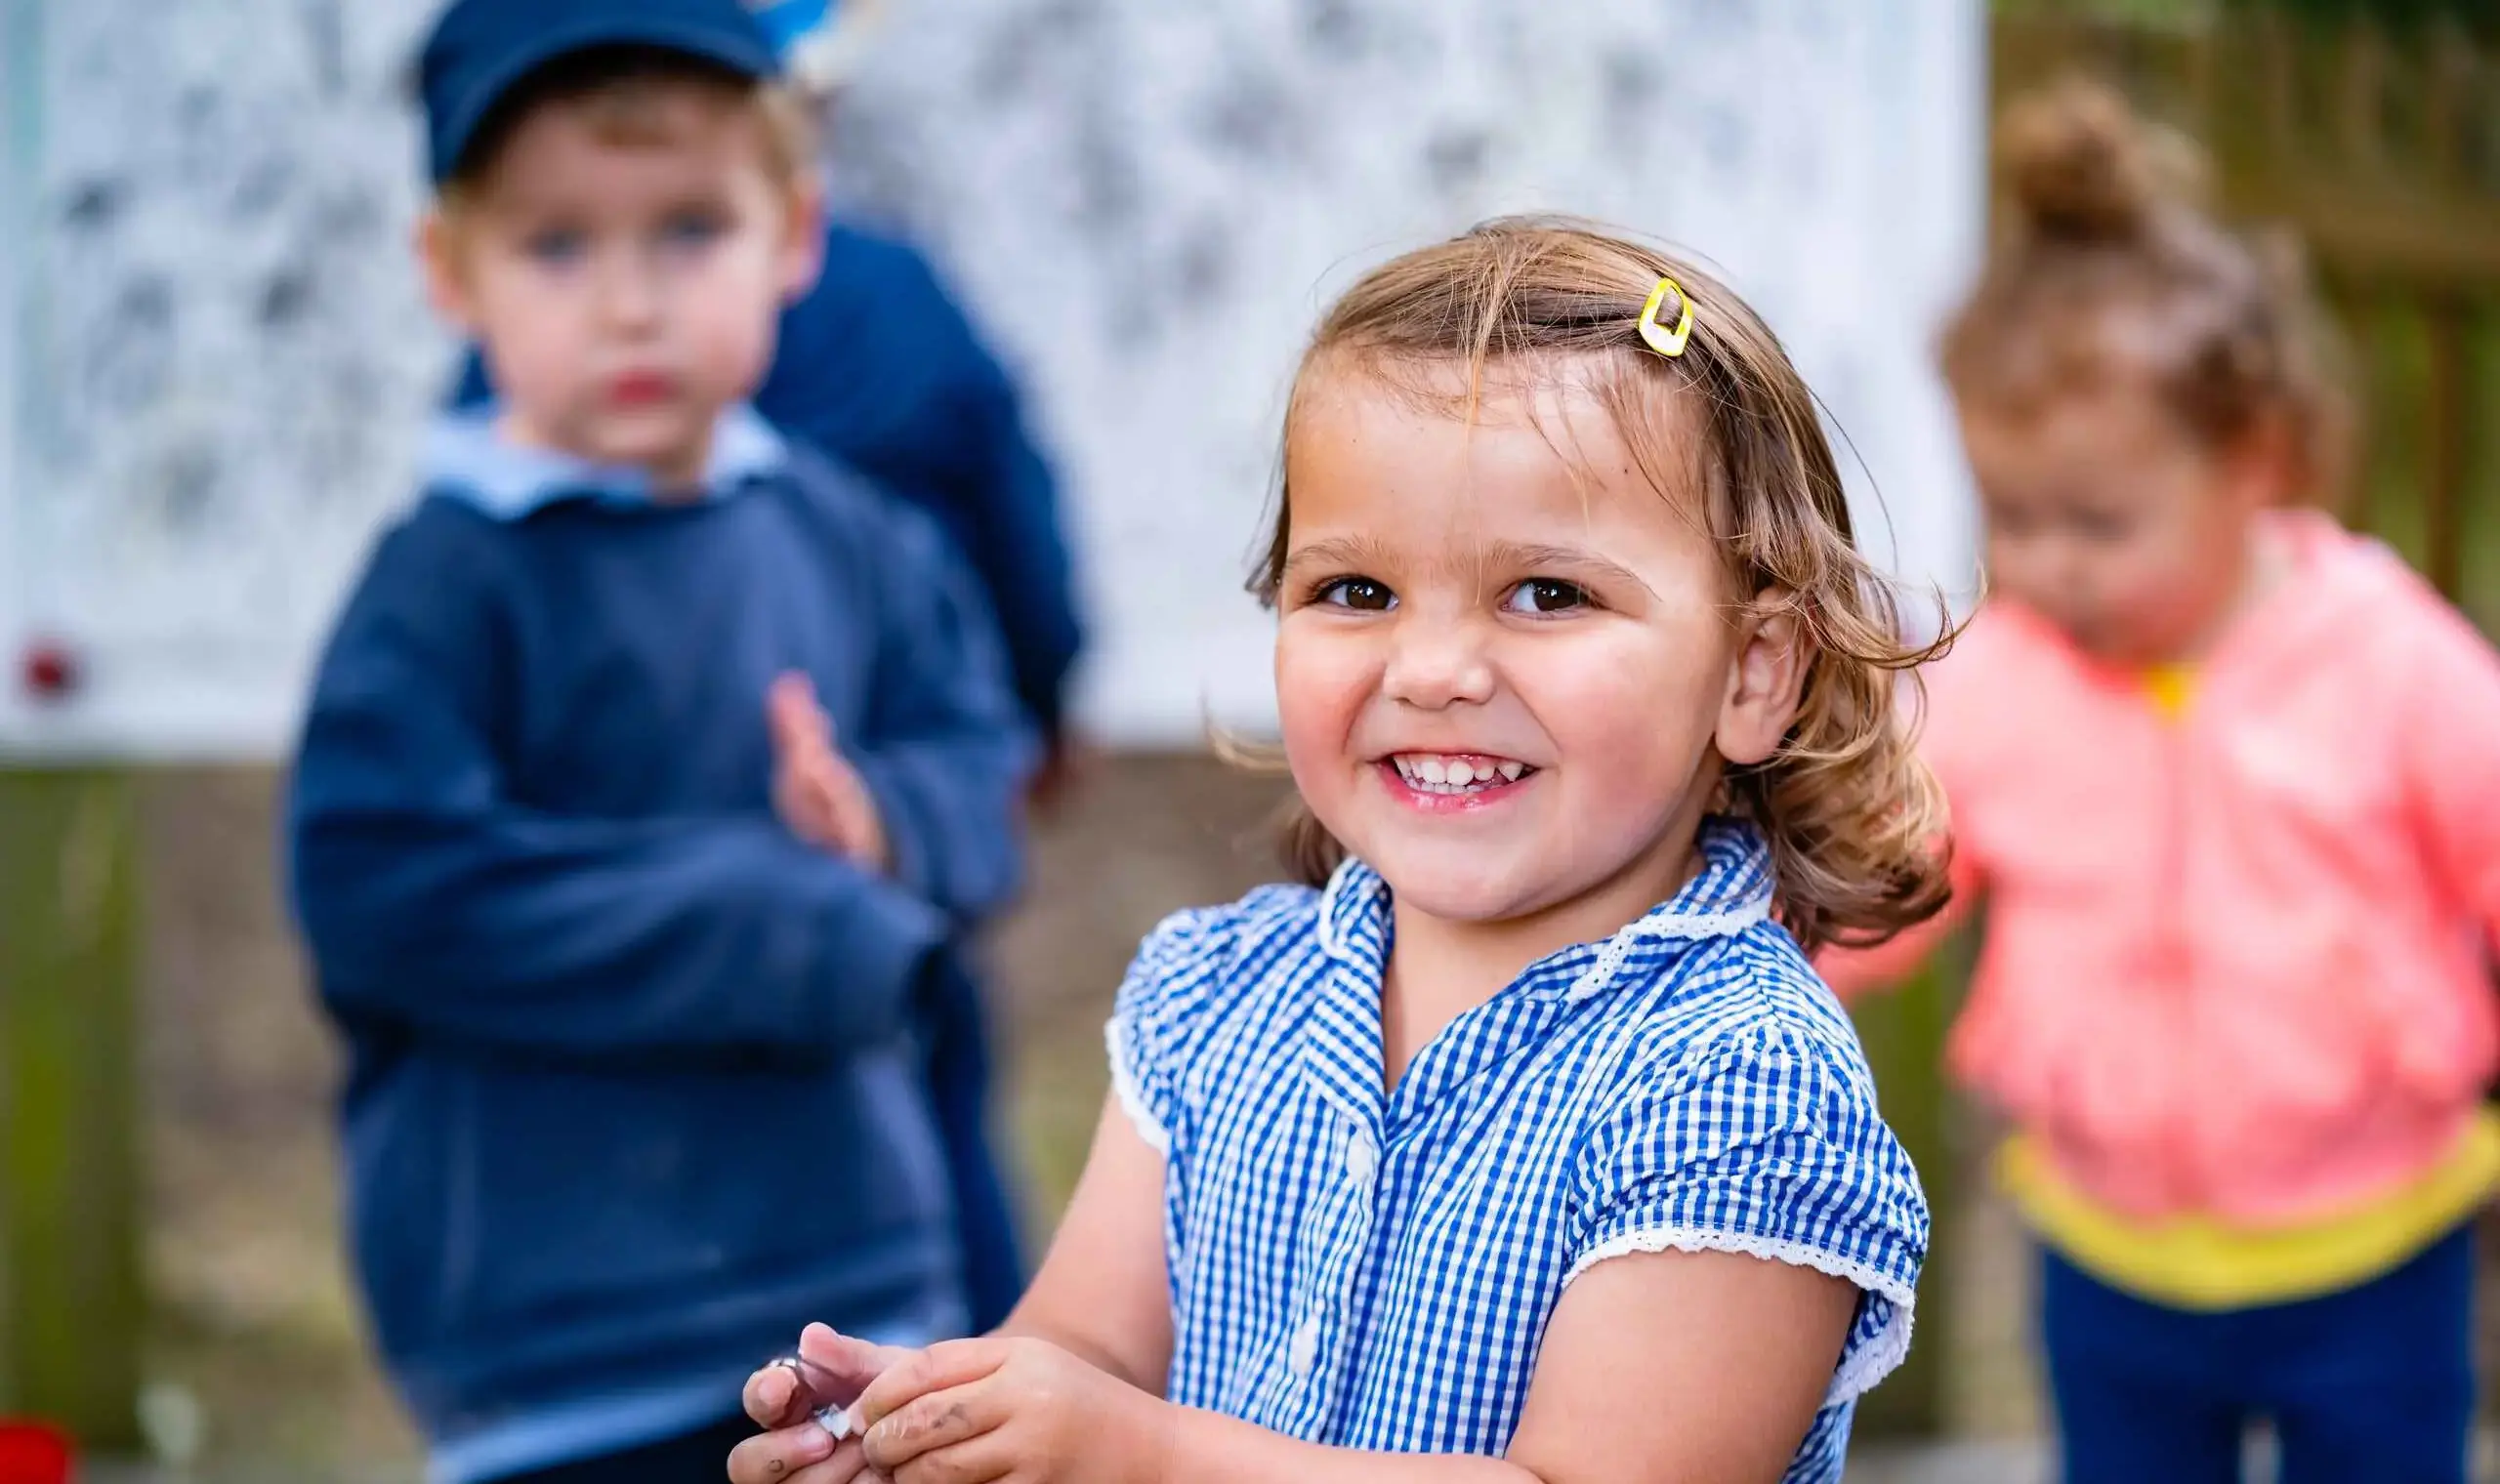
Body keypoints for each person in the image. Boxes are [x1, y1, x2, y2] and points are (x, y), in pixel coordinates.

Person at [725, 219, 1943, 1484]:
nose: (1431, 671)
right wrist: (938, 1435)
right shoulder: (1212, 1001)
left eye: (1547, 593)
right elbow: (1084, 1357)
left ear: (1753, 673)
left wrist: (1136, 1457)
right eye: (1357, 591)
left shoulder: (1736, 1091)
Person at [284, 2, 1031, 1480]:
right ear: (452, 272)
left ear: (794, 237)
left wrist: (881, 827)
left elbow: (980, 785)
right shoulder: (443, 584)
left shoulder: (859, 542)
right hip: (559, 1331)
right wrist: (778, 915)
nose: (630, 303)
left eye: (690, 228)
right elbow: (388, 897)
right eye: (558, 246)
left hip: (845, 1300)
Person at [1822, 82, 2500, 1484]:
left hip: (2373, 1242)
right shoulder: (2003, 680)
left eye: (2099, 521)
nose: (2049, 562)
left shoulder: (2388, 659)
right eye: (2012, 515)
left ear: (2253, 461)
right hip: (2104, 1247)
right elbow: (1894, 877)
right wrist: (1764, 958)